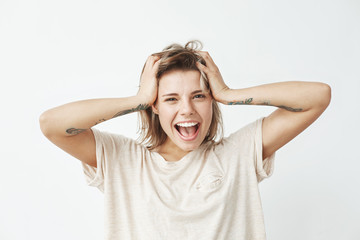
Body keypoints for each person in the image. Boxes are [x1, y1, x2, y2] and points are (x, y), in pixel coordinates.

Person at [39, 40, 331, 240]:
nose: (187, 109)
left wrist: (228, 93)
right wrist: (138, 98)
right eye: (171, 99)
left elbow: (318, 97)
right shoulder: (122, 160)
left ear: (211, 101)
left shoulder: (237, 155)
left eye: (198, 96)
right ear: (154, 106)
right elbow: (52, 124)